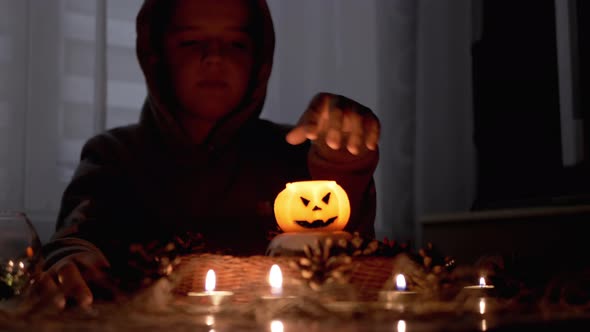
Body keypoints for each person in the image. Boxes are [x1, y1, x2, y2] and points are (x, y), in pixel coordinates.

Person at [34, 0, 380, 309]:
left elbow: (343, 253)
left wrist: (344, 167)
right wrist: (72, 259)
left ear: (259, 59)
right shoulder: (114, 156)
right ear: (155, 55)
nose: (215, 56)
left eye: (235, 43)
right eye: (190, 42)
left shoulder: (291, 155)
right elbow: (79, 236)